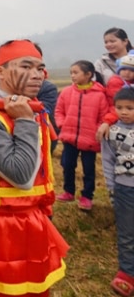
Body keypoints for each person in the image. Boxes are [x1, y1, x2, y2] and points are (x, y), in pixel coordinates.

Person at [0, 39, 69, 297]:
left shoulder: (31, 108)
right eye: (26, 66)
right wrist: (23, 121)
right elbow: (21, 176)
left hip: (33, 219)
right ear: (0, 72)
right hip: (3, 229)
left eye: (40, 68)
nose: (37, 75)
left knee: (35, 296)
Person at [54, 60, 108, 211]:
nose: (72, 75)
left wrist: (96, 131)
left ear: (88, 74)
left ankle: (87, 196)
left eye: (76, 72)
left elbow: (103, 116)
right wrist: (62, 124)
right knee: (67, 165)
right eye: (71, 72)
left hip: (90, 139)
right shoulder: (66, 92)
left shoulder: (99, 95)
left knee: (89, 169)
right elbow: (59, 111)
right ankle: (68, 191)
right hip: (69, 137)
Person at [101, 87, 134, 297]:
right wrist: (112, 187)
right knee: (126, 233)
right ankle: (127, 272)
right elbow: (107, 161)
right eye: (119, 108)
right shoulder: (110, 132)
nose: (124, 112)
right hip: (125, 189)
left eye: (130, 108)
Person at [97, 50, 134, 141]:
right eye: (124, 69)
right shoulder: (116, 83)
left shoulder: (130, 83)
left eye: (131, 70)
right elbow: (116, 106)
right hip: (116, 118)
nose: (127, 72)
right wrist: (108, 121)